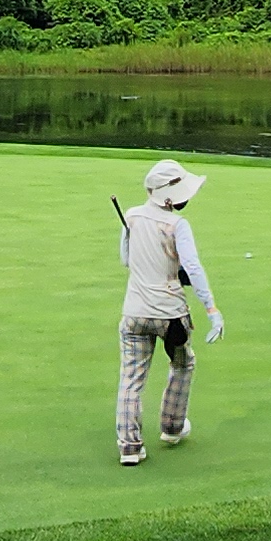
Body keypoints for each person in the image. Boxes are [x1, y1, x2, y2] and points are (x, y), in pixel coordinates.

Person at [115, 157, 227, 466]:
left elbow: (126, 260)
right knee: (182, 364)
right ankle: (172, 426)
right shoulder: (177, 225)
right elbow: (193, 267)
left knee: (131, 378)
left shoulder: (131, 215)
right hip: (170, 316)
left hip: (134, 313)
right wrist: (212, 309)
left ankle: (129, 447)